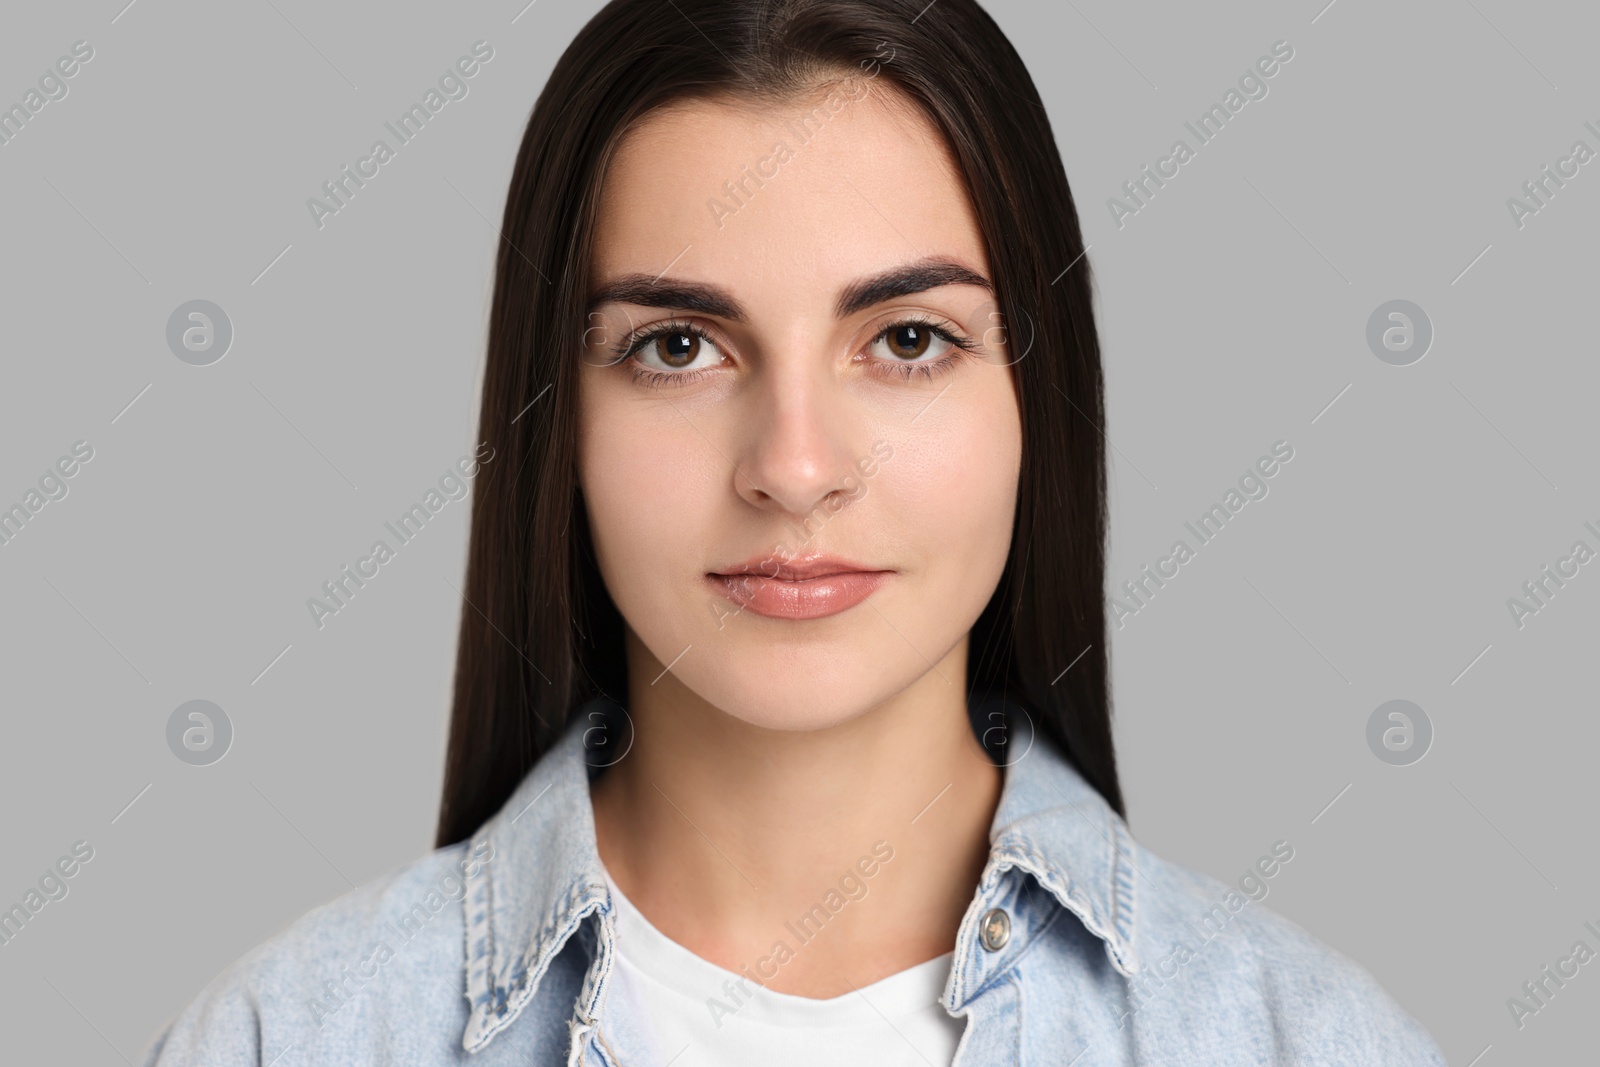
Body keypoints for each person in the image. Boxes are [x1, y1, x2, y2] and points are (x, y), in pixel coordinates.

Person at [141, 0, 1448, 1063]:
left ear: (1037, 404)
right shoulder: (290, 1039)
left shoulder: (1305, 1043)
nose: (796, 468)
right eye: (677, 346)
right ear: (559, 423)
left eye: (908, 341)